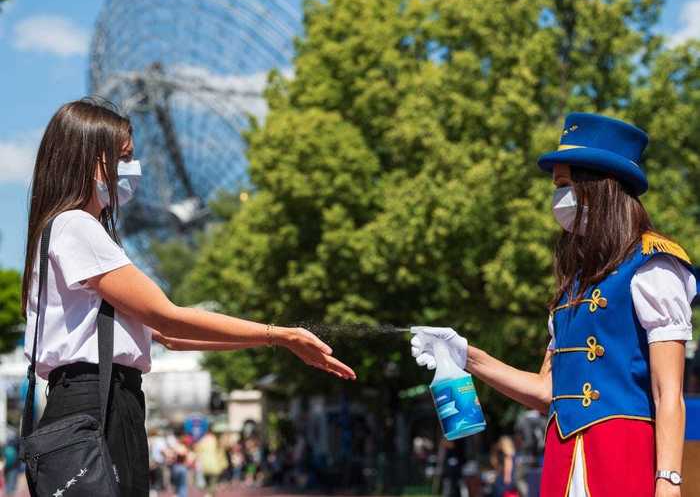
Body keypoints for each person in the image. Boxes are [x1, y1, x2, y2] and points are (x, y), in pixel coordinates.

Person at [21, 98, 356, 496]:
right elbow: (167, 317)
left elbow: (171, 337)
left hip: (91, 400)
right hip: (99, 402)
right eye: (124, 157)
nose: (132, 168)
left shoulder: (62, 229)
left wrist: (275, 341)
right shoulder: (77, 226)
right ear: (93, 159)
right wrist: (280, 334)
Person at [411, 113, 699, 497]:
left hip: (625, 458)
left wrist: (669, 481)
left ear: (598, 187)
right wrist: (467, 356)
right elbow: (547, 391)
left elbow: (669, 393)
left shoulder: (653, 265)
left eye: (564, 184)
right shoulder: (571, 287)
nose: (557, 197)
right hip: (562, 464)